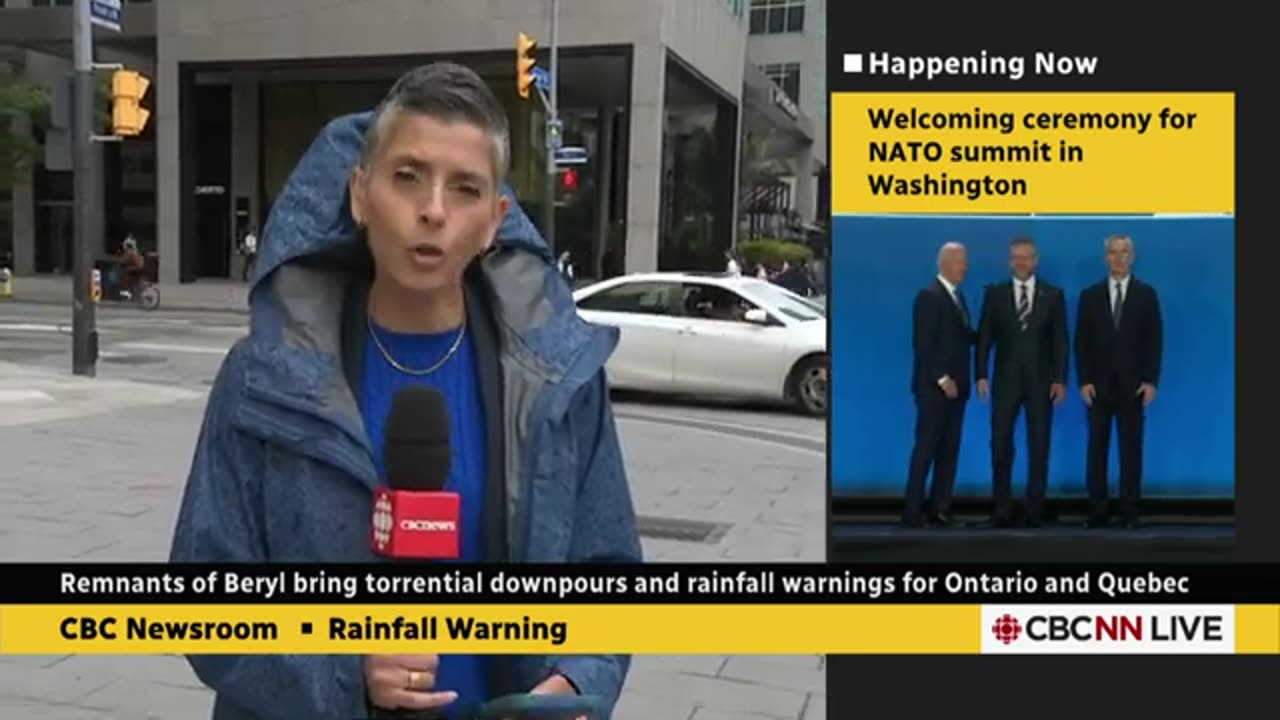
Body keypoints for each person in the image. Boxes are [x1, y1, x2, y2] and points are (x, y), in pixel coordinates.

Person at [169, 63, 642, 719]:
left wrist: (576, 676)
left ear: (493, 221)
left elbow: (607, 570)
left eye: (465, 188)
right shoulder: (262, 376)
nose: (433, 210)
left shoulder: (563, 380)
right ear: (361, 194)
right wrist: (341, 665)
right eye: (408, 176)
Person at [974, 237, 1068, 528]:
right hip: (1005, 382)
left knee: (1039, 444)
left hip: (1042, 383)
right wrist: (980, 374)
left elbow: (1060, 342)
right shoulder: (996, 294)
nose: (1021, 262)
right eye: (1015, 257)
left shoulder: (1053, 295)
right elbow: (985, 337)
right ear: (1009, 261)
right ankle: (1001, 509)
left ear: (1035, 260)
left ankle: (1034, 509)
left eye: (1026, 257)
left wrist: (1060, 380)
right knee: (1001, 443)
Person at [1074, 233, 1162, 529]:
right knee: (1096, 450)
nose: (1119, 257)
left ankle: (1129, 512)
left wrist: (1150, 381)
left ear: (1132, 256)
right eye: (1114, 252)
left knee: (1131, 450)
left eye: (1125, 252)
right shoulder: (1090, 295)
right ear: (1106, 258)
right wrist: (1084, 380)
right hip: (1098, 386)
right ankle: (1097, 510)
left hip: (1132, 386)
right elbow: (1081, 342)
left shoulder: (1146, 294)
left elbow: (1154, 341)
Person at [904, 242, 974, 527]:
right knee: (926, 449)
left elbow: (964, 336)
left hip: (958, 390)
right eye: (962, 262)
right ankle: (912, 512)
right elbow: (923, 344)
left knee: (949, 451)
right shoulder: (929, 296)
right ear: (946, 263)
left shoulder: (957, 297)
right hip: (934, 390)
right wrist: (942, 378)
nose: (966, 267)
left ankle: (939, 510)